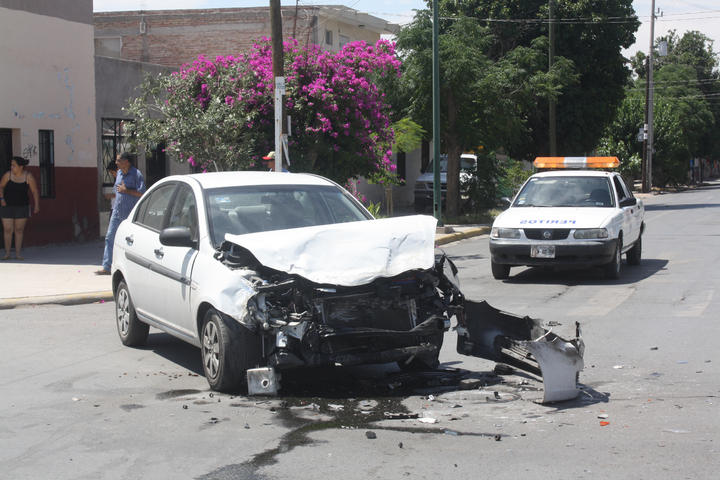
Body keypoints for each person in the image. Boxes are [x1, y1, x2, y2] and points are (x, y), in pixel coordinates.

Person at [96, 152, 145, 275]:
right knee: (110, 237)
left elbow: (142, 193)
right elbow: (117, 191)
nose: (116, 162)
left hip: (130, 215)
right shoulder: (118, 173)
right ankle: (107, 266)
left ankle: (134, 268)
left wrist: (126, 190)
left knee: (131, 242)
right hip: (117, 212)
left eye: (118, 160)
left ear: (126, 162)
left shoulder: (136, 174)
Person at [0, 156, 40, 260]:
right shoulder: (7, 175)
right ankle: (7, 253)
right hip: (6, 206)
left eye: (14, 165)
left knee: (19, 230)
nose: (11, 167)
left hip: (22, 207)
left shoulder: (28, 177)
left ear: (21, 167)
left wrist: (36, 205)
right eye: (11, 165)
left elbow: (34, 191)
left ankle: (18, 254)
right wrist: (2, 199)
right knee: (8, 229)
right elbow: (1, 186)